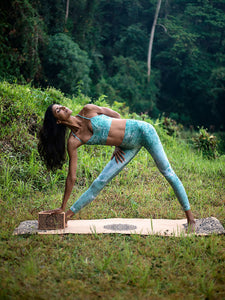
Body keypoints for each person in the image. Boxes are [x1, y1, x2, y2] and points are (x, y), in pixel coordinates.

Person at [38, 103, 195, 228]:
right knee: (99, 182)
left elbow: (116, 115)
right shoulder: (73, 141)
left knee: (167, 172)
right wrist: (62, 206)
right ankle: (67, 216)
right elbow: (71, 177)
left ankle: (191, 219)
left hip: (144, 132)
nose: (64, 107)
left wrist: (116, 146)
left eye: (60, 105)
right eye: (58, 110)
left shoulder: (88, 110)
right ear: (58, 121)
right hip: (128, 148)